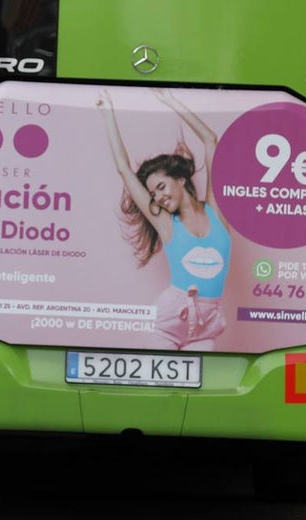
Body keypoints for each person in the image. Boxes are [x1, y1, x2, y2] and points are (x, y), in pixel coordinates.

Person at [98, 88, 235, 351]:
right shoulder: (165, 222)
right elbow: (123, 169)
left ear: (181, 180)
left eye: (161, 187)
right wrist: (108, 112)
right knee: (157, 389)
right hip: (167, 322)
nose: (158, 197)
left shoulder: (217, 211)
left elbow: (211, 140)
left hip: (207, 324)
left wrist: (171, 101)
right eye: (152, 193)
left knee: (198, 390)